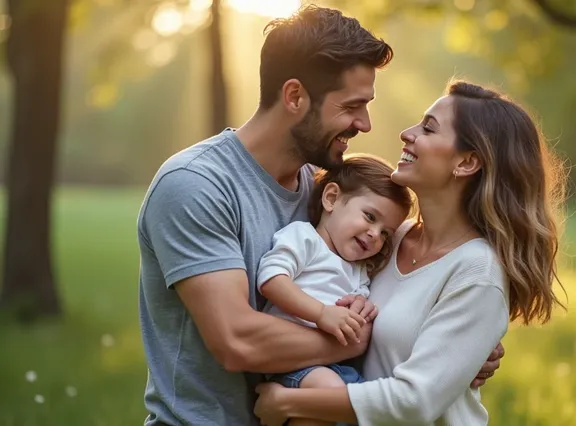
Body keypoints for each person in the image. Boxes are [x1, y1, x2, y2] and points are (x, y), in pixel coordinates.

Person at [136, 5, 503, 426]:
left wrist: (452, 355)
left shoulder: (329, 190)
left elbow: (408, 287)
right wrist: (353, 342)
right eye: (352, 106)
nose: (364, 124)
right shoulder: (197, 185)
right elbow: (237, 341)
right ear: (295, 97)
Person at [253, 80, 568, 426]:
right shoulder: (387, 241)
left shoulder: (477, 272)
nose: (406, 133)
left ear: (466, 163)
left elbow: (415, 401)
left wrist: (291, 402)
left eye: (428, 129)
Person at [256, 155, 412, 418]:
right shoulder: (304, 238)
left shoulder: (360, 269)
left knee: (375, 408)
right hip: (294, 363)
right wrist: (321, 313)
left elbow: (366, 308)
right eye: (370, 216)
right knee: (328, 393)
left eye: (386, 233)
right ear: (331, 199)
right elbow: (271, 280)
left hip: (338, 366)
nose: (376, 234)